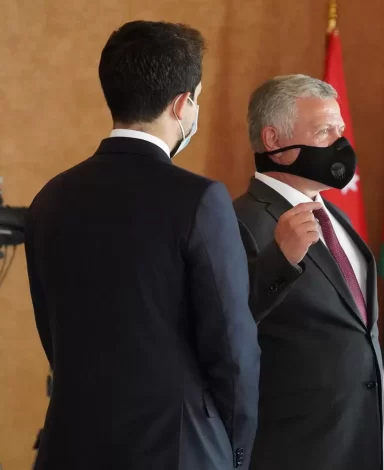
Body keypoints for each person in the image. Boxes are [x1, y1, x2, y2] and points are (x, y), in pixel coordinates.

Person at [24, 21, 260, 470]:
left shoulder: (50, 197)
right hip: (178, 449)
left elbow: (53, 336)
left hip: (69, 445)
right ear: (182, 104)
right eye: (197, 99)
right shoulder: (200, 199)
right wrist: (236, 454)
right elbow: (233, 351)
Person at [233, 74, 383, 470]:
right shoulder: (238, 220)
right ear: (273, 141)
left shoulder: (335, 217)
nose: (341, 143)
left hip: (358, 443)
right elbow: (225, 324)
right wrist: (280, 261)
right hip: (290, 451)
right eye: (324, 131)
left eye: (340, 130)